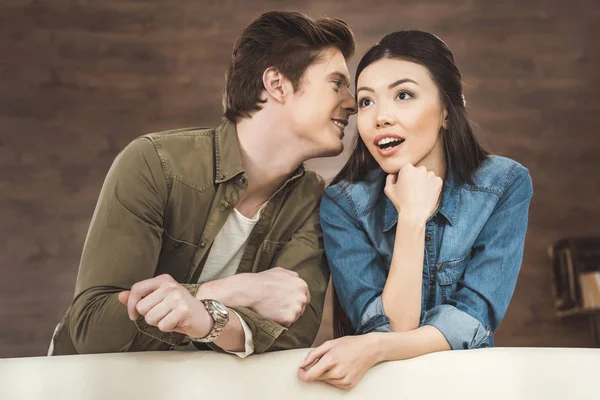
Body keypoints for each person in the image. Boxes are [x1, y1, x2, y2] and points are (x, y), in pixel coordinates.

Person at [49, 11, 357, 357]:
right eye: (336, 84)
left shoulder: (315, 201)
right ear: (277, 84)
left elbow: (291, 333)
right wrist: (234, 292)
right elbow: (96, 328)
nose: (352, 102)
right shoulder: (155, 165)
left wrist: (205, 316)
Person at [298, 30, 533, 389]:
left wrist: (375, 346)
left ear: (446, 112)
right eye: (366, 102)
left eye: (403, 95)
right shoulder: (342, 204)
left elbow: (472, 319)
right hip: (383, 390)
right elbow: (393, 328)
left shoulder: (504, 185)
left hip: (468, 387)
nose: (380, 118)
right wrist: (411, 219)